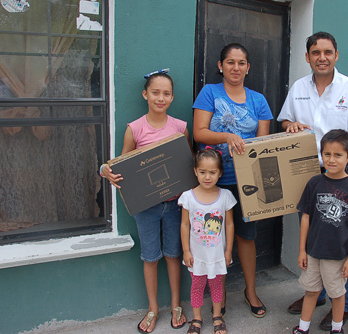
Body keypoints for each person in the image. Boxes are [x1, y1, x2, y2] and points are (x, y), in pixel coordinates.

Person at [278, 31, 348, 330]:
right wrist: (290, 124)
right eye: (316, 53)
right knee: (313, 231)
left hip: (340, 173)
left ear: (336, 55)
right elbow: (285, 120)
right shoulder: (298, 87)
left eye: (327, 52)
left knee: (339, 235)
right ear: (308, 57)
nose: (322, 57)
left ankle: (342, 304)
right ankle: (314, 293)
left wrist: (338, 162)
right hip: (307, 174)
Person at [99, 70, 189, 333]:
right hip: (146, 208)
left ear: (172, 97)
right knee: (150, 257)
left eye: (166, 94)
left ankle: (175, 305)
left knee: (174, 255)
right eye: (155, 92)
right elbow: (119, 164)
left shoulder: (180, 127)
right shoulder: (135, 128)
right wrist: (105, 170)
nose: (160, 98)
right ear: (145, 95)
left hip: (175, 205)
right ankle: (152, 309)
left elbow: (188, 163)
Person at [192, 43, 273, 318]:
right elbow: (199, 133)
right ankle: (220, 292)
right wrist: (227, 137)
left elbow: (263, 143)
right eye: (230, 62)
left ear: (248, 68)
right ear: (220, 66)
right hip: (214, 182)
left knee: (246, 237)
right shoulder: (210, 93)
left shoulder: (258, 100)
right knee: (216, 238)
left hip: (247, 181)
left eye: (241, 63)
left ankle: (250, 291)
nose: (235, 67)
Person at [292, 129, 348, 334]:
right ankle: (303, 328)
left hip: (337, 255)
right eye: (327, 154)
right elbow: (306, 218)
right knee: (311, 291)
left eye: (338, 155)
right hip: (313, 252)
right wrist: (302, 250)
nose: (332, 159)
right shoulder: (314, 183)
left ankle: (337, 328)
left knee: (337, 294)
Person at [179, 149, 235, 334]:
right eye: (203, 172)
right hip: (197, 256)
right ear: (195, 171)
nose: (207, 177)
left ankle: (217, 316)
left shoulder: (225, 196)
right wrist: (186, 251)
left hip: (217, 255)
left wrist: (228, 252)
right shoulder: (188, 197)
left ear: (220, 173)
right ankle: (197, 318)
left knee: (218, 285)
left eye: (212, 172)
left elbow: (229, 224)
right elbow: (185, 224)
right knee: (197, 286)